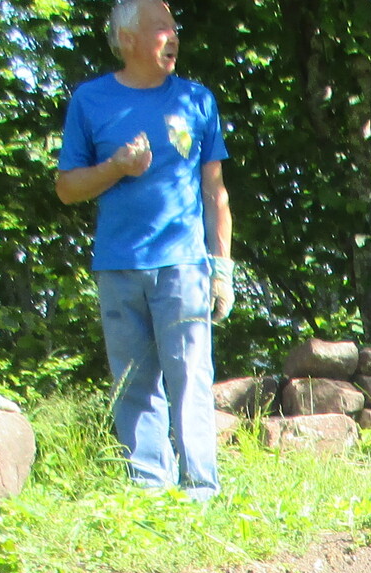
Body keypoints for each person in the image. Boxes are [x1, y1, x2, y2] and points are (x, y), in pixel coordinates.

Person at [55, 0, 231, 499]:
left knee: (190, 377)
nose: (173, 36)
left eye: (174, 27)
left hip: (184, 264)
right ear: (127, 39)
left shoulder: (197, 99)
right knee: (134, 386)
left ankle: (201, 492)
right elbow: (67, 188)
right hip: (118, 266)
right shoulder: (90, 100)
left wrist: (221, 268)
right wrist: (116, 167)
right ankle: (150, 495)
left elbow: (215, 191)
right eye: (160, 28)